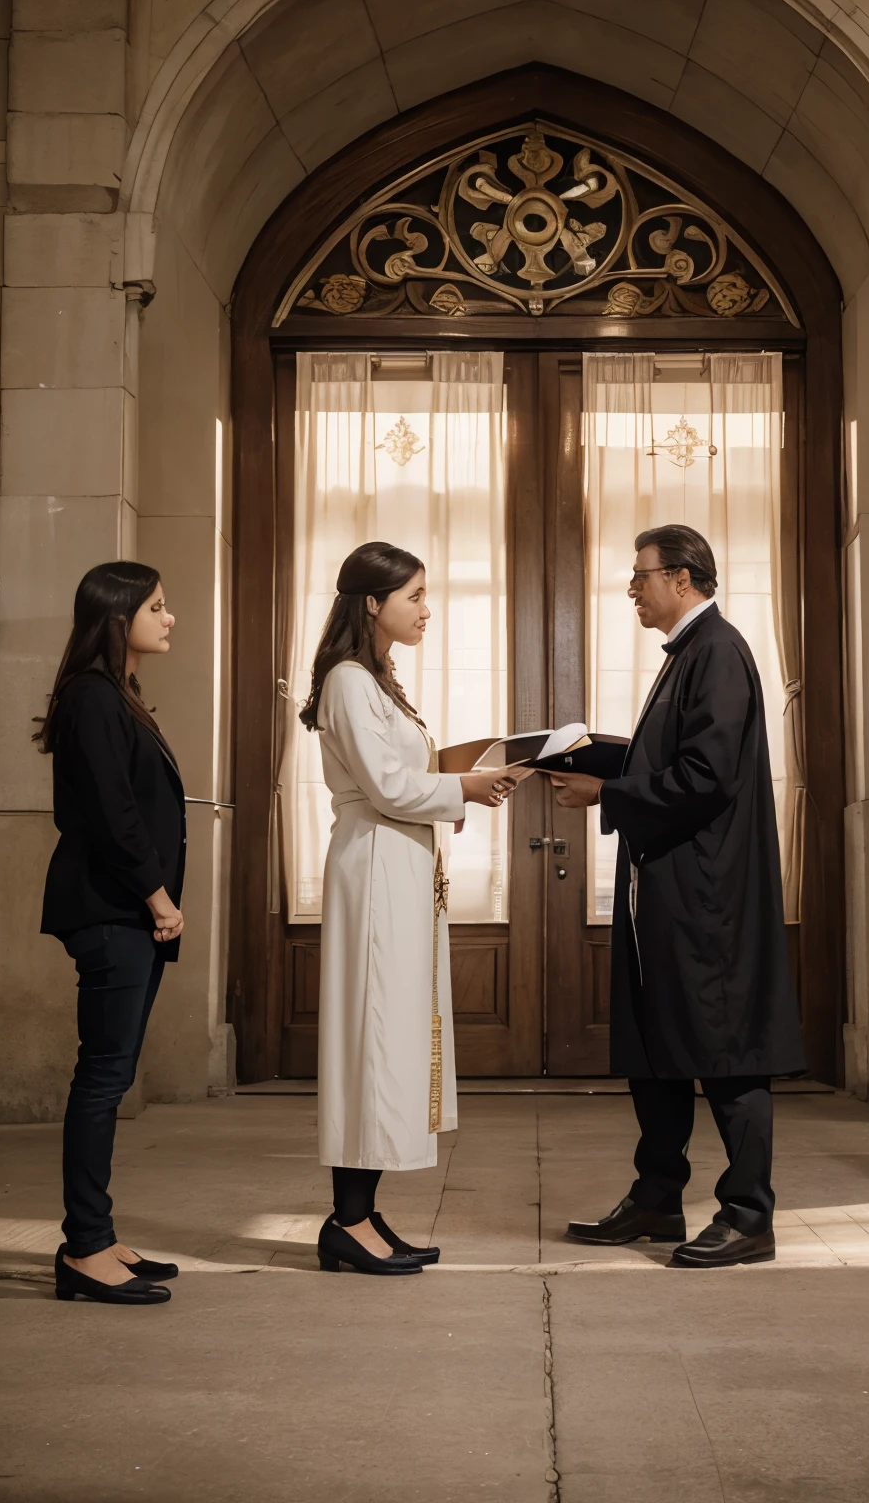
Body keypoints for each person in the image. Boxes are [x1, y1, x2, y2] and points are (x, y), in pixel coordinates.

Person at [552, 525, 804, 1267]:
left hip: (711, 894)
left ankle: (749, 1214)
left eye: (641, 576)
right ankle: (659, 1198)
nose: (632, 589)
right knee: (657, 1045)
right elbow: (675, 759)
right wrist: (595, 754)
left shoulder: (718, 652)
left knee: (726, 1053)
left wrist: (606, 789)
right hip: (671, 886)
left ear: (684, 579)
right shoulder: (690, 653)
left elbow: (707, 777)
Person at [301, 542, 523, 1276]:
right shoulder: (347, 680)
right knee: (374, 1041)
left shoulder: (376, 679)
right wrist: (466, 787)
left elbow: (405, 778)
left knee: (393, 1042)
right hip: (372, 870)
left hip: (400, 866)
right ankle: (347, 1222)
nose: (427, 610)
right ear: (373, 602)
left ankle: (361, 1214)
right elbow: (391, 787)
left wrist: (461, 782)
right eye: (415, 596)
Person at [38, 562, 186, 1306]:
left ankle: (97, 1234)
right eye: (156, 607)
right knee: (101, 1079)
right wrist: (158, 897)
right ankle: (84, 1248)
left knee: (110, 1075)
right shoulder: (94, 699)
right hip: (112, 910)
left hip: (124, 910)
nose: (169, 619)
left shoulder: (112, 696)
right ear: (116, 615)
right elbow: (112, 814)